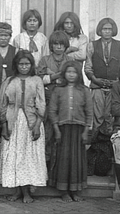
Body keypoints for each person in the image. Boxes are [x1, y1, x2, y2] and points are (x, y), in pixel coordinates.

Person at [0, 50, 47, 203]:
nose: (24, 67)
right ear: (16, 65)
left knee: (28, 157)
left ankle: (27, 193)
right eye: (21, 64)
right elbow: (3, 104)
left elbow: (41, 103)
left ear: (31, 65)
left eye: (27, 64)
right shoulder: (9, 81)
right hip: (13, 122)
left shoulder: (37, 80)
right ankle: (17, 191)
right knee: (14, 156)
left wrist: (38, 125)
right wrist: (4, 125)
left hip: (31, 122)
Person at [48, 60, 93, 202]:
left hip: (79, 129)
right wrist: (56, 129)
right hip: (63, 129)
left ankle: (75, 190)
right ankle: (63, 191)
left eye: (74, 72)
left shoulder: (84, 91)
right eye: (68, 72)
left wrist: (86, 131)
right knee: (64, 159)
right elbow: (52, 110)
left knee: (77, 160)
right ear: (64, 73)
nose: (71, 75)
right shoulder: (58, 90)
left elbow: (89, 112)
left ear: (78, 74)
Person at [37, 30, 73, 163]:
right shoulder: (44, 60)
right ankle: (44, 164)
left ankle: (59, 166)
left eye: (61, 44)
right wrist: (56, 76)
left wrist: (52, 76)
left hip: (65, 101)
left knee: (63, 134)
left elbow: (72, 78)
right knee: (47, 133)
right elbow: (39, 79)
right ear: (51, 45)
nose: (58, 47)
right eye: (56, 44)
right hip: (48, 99)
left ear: (66, 46)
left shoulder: (70, 60)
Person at [84, 18, 120, 142]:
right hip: (97, 87)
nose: (107, 32)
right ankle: (95, 151)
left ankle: (110, 153)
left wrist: (116, 81)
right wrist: (95, 80)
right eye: (104, 29)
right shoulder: (92, 45)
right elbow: (88, 68)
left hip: (114, 88)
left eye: (109, 29)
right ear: (100, 30)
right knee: (97, 117)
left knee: (109, 118)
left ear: (113, 30)